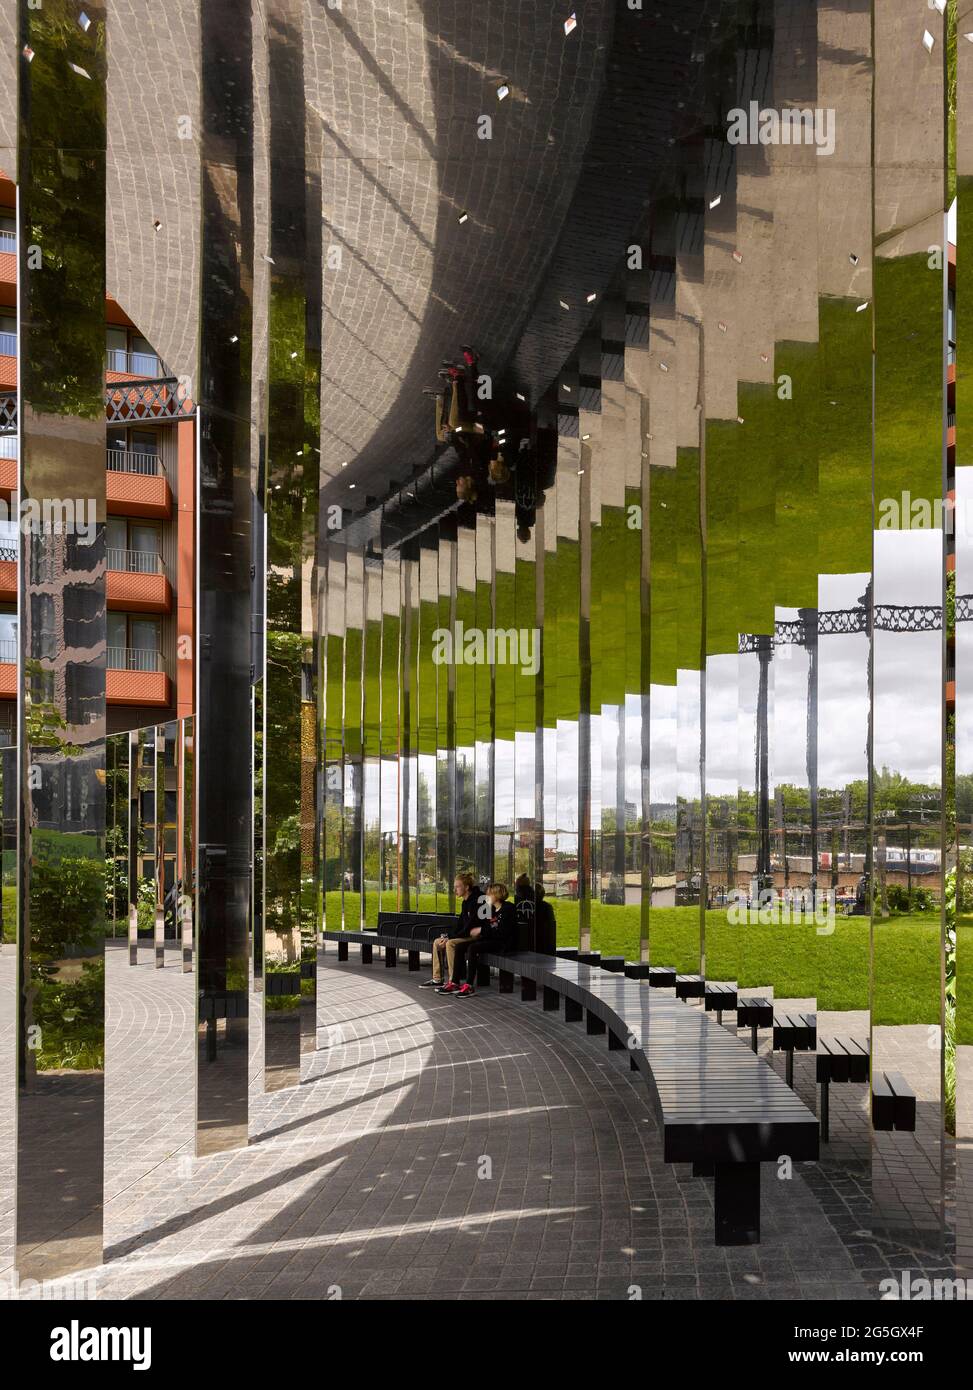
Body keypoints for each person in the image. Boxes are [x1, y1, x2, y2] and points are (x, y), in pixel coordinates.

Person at [419, 872, 484, 988]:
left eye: (457, 886)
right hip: (466, 934)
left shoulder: (478, 900)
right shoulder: (465, 902)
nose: (455, 889)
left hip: (476, 936)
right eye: (454, 887)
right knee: (437, 942)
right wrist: (448, 935)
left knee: (450, 944)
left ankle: (453, 981)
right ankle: (437, 979)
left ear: (467, 887)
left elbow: (469, 927)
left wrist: (451, 937)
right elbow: (460, 925)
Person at [455, 881, 517, 996]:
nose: (487, 897)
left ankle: (469, 985)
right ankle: (454, 981)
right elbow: (486, 926)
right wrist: (480, 930)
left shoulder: (508, 908)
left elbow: (501, 930)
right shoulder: (491, 909)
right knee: (459, 946)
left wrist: (482, 931)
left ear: (497, 895)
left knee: (473, 948)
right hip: (490, 939)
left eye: (489, 894)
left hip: (502, 943)